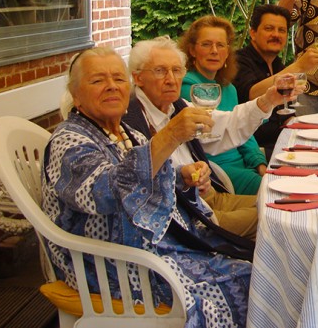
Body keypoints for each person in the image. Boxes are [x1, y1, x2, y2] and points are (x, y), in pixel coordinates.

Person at [43, 47, 272, 327]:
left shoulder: (128, 133)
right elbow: (105, 192)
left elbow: (153, 178)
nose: (112, 86)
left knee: (259, 269)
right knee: (247, 282)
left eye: (117, 78)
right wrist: (171, 135)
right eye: (97, 80)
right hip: (110, 263)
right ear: (75, 94)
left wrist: (183, 177)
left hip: (154, 248)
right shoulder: (69, 141)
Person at [123, 36, 288, 240]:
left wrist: (266, 101)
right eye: (160, 71)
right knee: (278, 219)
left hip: (207, 195)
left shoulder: (177, 106)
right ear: (138, 78)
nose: (171, 79)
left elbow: (224, 125)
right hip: (185, 216)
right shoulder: (130, 119)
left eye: (176, 70)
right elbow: (134, 180)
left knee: (284, 205)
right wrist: (183, 177)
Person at [179, 15, 270, 195]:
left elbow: (243, 131)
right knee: (275, 193)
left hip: (243, 164)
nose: (214, 51)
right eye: (206, 44)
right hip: (217, 170)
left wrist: (259, 162)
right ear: (192, 50)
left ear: (227, 52)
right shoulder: (188, 87)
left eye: (220, 45)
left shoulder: (228, 88)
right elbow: (205, 141)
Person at [234, 4, 318, 154]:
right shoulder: (239, 60)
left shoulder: (277, 64)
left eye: (282, 30)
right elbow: (251, 93)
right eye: (269, 29)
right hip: (254, 150)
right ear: (253, 33)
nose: (276, 35)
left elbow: (286, 112)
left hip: (282, 141)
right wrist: (299, 66)